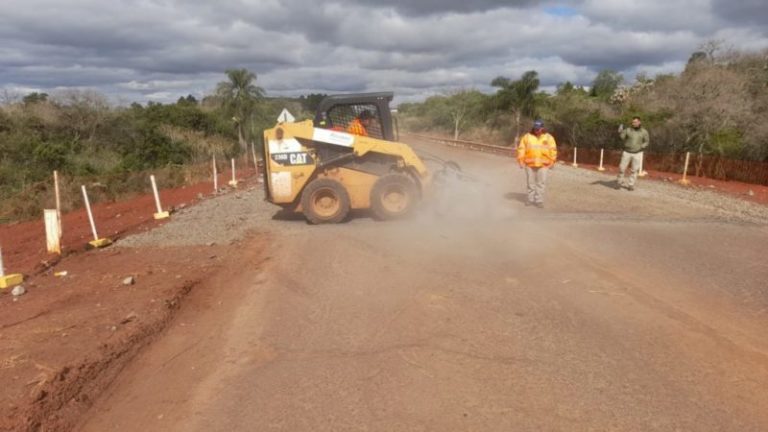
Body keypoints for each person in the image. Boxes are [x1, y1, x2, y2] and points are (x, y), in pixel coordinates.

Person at [517, 119, 557, 208]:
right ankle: (530, 199)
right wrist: (520, 161)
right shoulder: (527, 137)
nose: (536, 130)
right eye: (535, 128)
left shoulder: (549, 138)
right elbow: (521, 149)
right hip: (529, 165)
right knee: (530, 183)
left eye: (538, 128)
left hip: (543, 165)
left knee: (541, 183)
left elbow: (553, 150)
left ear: (542, 128)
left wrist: (552, 162)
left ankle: (539, 200)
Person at [616, 116, 649, 191]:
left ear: (639, 122)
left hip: (637, 153)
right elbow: (622, 138)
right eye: (633, 122)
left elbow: (646, 141)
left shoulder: (644, 132)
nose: (634, 123)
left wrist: (642, 146)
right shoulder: (628, 130)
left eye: (635, 122)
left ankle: (631, 185)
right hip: (627, 152)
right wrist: (620, 132)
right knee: (622, 168)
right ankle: (619, 182)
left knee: (634, 170)